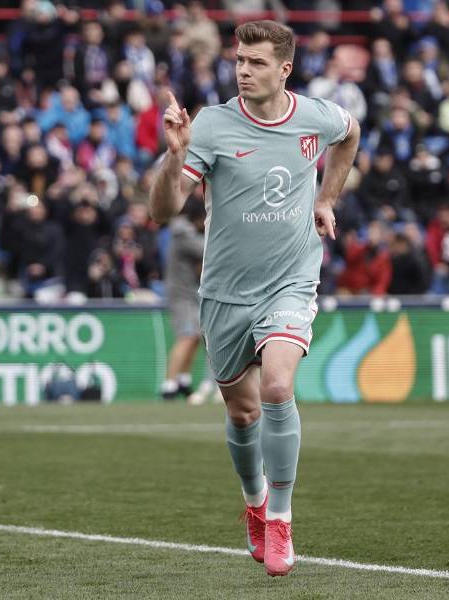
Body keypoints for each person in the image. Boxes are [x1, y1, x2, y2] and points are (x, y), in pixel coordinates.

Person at [149, 20, 359, 577]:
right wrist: (175, 155)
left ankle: (282, 520)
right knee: (241, 414)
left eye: (257, 62)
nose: (243, 70)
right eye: (239, 60)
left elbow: (350, 133)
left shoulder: (316, 116)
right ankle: (255, 501)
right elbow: (162, 211)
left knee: (277, 385)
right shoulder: (212, 125)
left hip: (291, 278)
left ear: (284, 68)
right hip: (224, 293)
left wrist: (326, 198)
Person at [160, 197, 205, 400]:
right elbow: (206, 250)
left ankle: (183, 381)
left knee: (195, 336)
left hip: (191, 291)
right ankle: (168, 385)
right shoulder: (183, 232)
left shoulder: (187, 231)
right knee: (186, 336)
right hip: (181, 293)